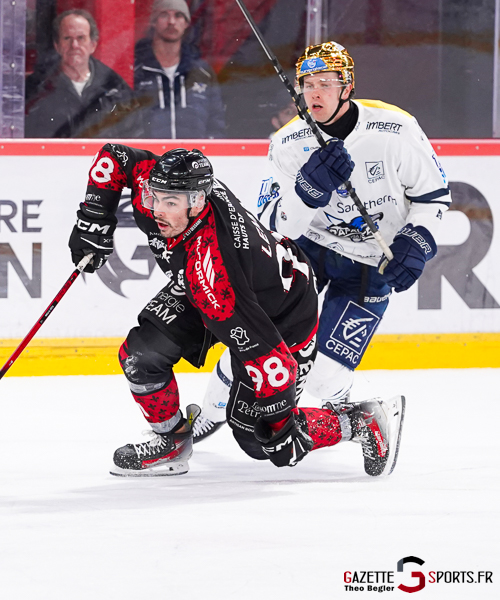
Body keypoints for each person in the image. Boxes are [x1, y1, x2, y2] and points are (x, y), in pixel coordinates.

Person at [68, 143, 405, 477]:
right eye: (155, 197)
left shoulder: (213, 274)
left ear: (198, 201)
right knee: (141, 357)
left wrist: (278, 421)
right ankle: (170, 441)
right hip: (223, 286)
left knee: (265, 441)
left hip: (282, 315)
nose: (157, 210)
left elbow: (273, 364)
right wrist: (94, 218)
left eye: (170, 203)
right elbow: (116, 157)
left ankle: (360, 421)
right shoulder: (172, 192)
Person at [257, 41, 451, 405]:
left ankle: (352, 408)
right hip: (311, 249)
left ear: (347, 86)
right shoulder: (286, 142)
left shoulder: (395, 129)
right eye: (307, 84)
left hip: (369, 261)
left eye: (325, 83)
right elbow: (275, 225)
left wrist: (417, 242)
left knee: (320, 379)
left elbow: (433, 195)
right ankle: (205, 414)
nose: (314, 93)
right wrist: (306, 192)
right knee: (259, 336)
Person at [25, 9, 135, 138]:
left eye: (81, 38)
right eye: (67, 38)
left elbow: (134, 138)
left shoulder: (115, 88)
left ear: (93, 45)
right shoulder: (37, 88)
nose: (74, 45)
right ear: (57, 45)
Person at [132, 0, 226, 139]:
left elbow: (216, 124)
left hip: (194, 158)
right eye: (164, 15)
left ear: (186, 23)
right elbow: (126, 126)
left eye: (178, 15)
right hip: (150, 159)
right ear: (153, 22)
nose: (171, 21)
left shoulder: (202, 72)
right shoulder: (137, 71)